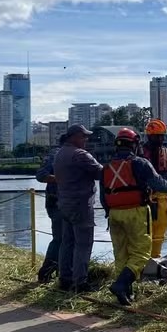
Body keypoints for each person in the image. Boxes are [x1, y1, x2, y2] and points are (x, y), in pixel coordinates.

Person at [100, 127, 167, 306]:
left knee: (121, 254)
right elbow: (158, 183)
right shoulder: (140, 163)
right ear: (134, 145)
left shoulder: (106, 167)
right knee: (142, 253)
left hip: (114, 214)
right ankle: (121, 285)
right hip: (136, 211)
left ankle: (125, 293)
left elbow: (103, 195)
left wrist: (109, 212)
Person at [53, 124, 103, 292]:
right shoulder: (80, 154)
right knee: (83, 244)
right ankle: (80, 282)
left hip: (64, 204)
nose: (86, 139)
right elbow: (101, 172)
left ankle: (65, 279)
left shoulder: (60, 153)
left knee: (67, 243)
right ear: (74, 137)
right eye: (83, 136)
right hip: (80, 205)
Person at [141, 118, 167, 258]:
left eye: (162, 136)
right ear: (150, 136)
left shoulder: (166, 153)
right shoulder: (140, 153)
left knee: (160, 232)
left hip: (162, 201)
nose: (161, 139)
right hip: (144, 201)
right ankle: (142, 261)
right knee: (144, 234)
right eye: (158, 136)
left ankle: (155, 259)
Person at [35, 133, 66, 283]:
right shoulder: (56, 154)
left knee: (64, 239)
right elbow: (41, 175)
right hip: (57, 203)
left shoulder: (65, 154)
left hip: (62, 203)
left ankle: (61, 272)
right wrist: (64, 180)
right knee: (60, 239)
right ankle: (46, 271)